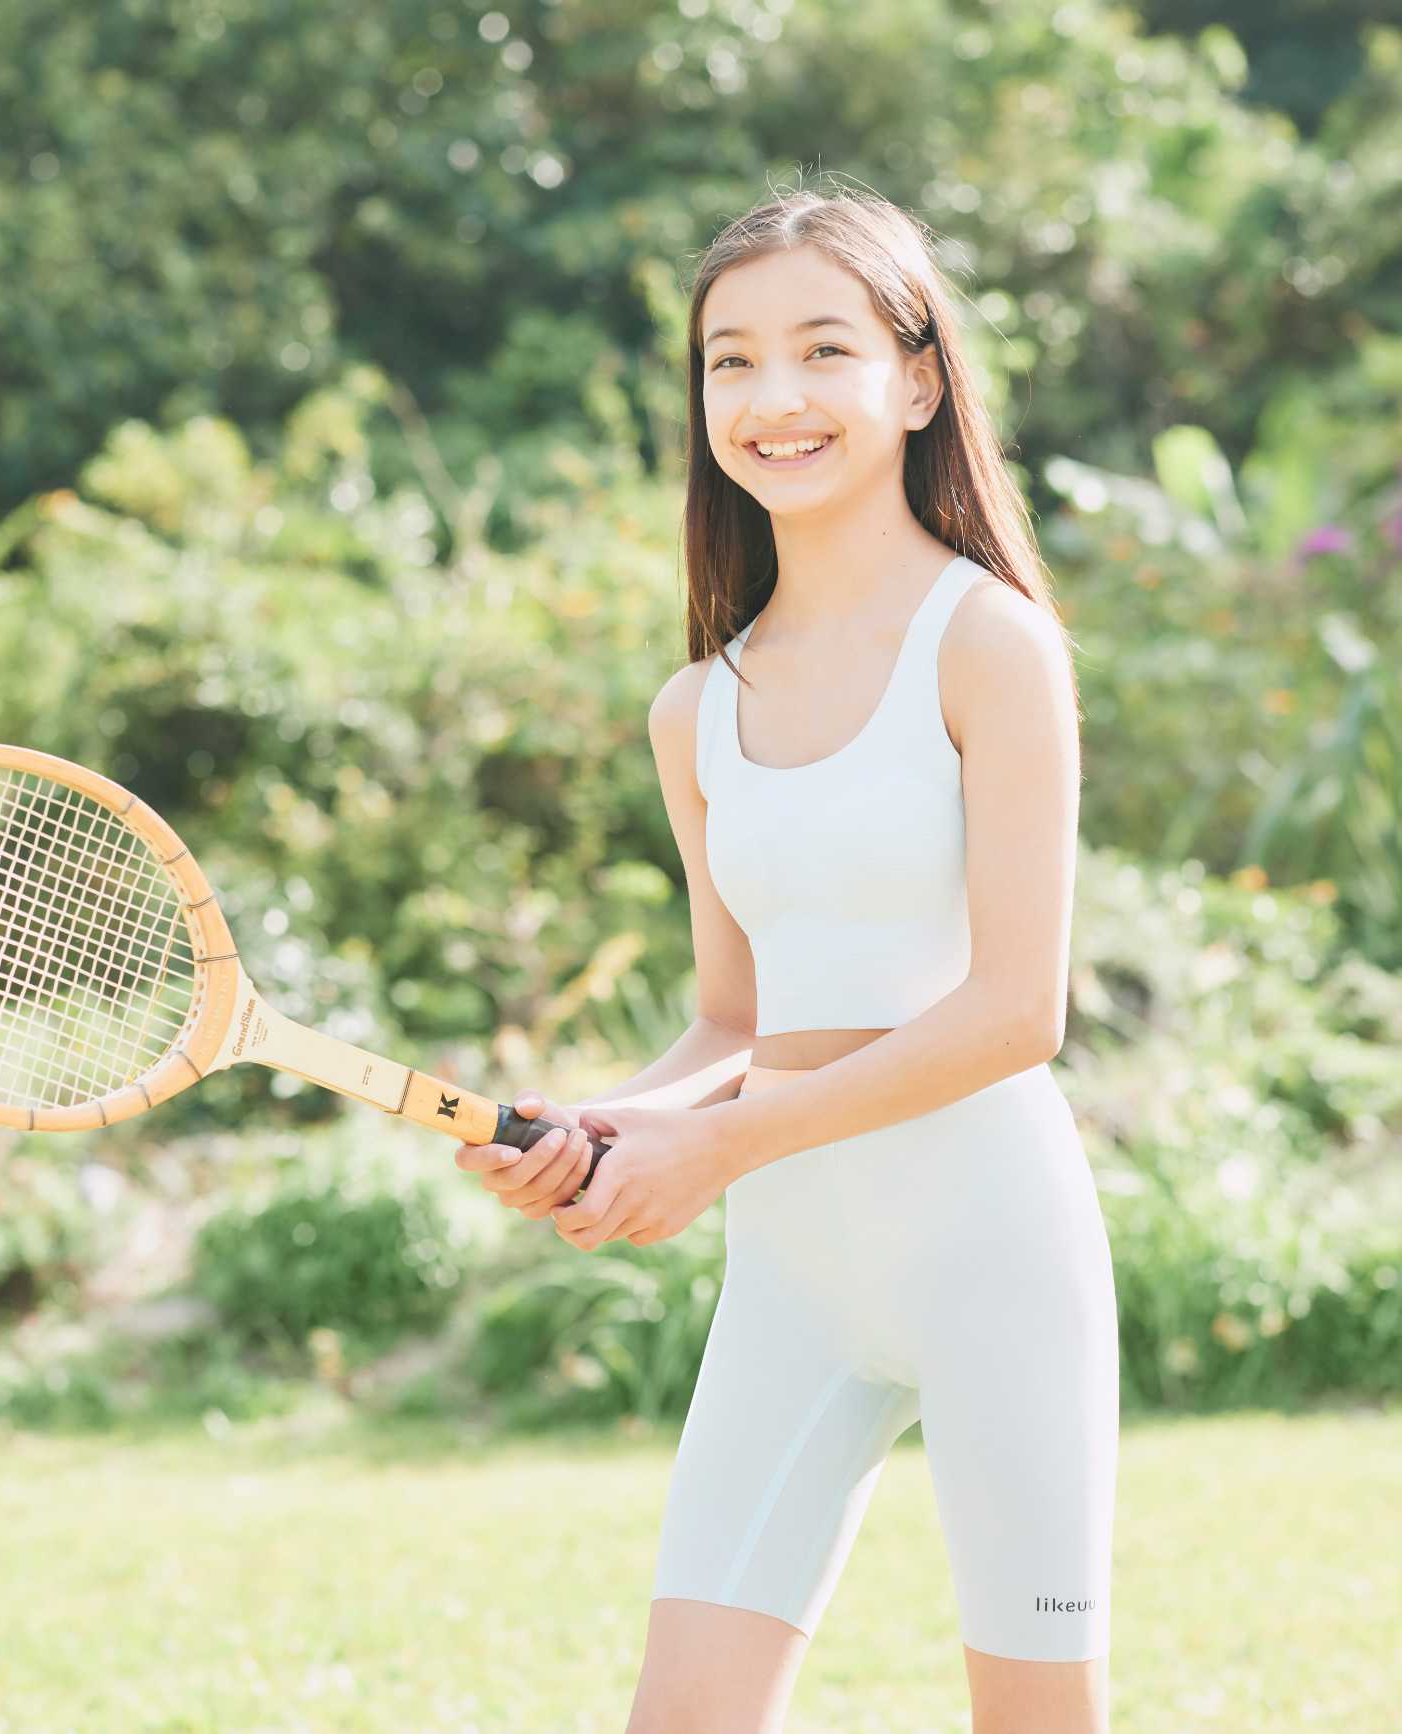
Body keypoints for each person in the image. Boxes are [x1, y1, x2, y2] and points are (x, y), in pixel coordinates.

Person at [455, 184, 1113, 1734]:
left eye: (824, 349)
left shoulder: (992, 646)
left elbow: (1017, 1013)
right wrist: (607, 1119)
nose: (774, 398)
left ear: (918, 379)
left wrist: (716, 1143)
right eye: (729, 362)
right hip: (795, 1276)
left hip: (990, 1251)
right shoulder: (696, 709)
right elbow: (735, 1017)